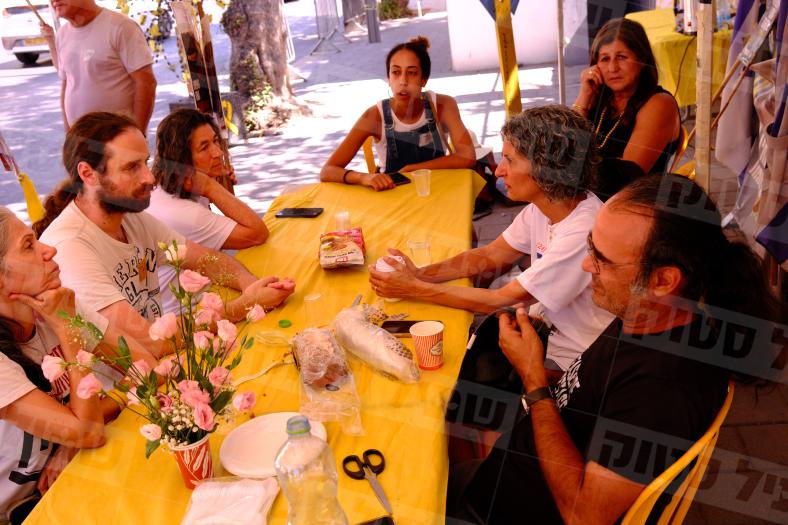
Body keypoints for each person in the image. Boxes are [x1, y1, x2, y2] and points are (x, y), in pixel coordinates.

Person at [448, 174, 782, 524]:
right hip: (504, 475)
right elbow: (596, 393)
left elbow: (585, 516)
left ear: (663, 280)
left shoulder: (663, 390)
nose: (586, 264)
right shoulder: (643, 314)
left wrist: (534, 381)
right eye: (590, 246)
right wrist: (529, 366)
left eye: (603, 260)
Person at [370, 105, 614, 372]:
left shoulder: (582, 230)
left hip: (573, 359)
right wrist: (419, 275)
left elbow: (500, 299)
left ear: (548, 168)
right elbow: (490, 255)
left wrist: (413, 288)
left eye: (510, 160)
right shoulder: (544, 207)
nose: (498, 171)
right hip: (541, 331)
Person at [35, 112, 295, 358]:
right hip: (133, 384)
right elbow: (147, 341)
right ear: (88, 174)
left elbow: (206, 260)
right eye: (132, 167)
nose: (149, 178)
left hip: (168, 362)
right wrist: (243, 305)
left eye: (145, 163)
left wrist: (250, 285)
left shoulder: (131, 218)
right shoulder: (70, 248)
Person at [0, 207, 118, 524]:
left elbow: (145, 369)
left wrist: (70, 440)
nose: (49, 249)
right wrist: (68, 328)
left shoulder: (56, 301)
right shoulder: (61, 313)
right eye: (29, 245)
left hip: (64, 487)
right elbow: (89, 433)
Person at [147, 109, 269, 314]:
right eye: (204, 147)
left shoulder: (168, 183)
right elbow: (257, 233)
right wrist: (213, 188)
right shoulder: (185, 213)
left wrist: (219, 183)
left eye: (215, 141)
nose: (218, 152)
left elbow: (231, 217)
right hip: (187, 316)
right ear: (183, 158)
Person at [320, 36, 475, 191]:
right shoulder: (374, 115)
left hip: (437, 190)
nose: (403, 81)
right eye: (396, 72)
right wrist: (364, 177)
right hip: (391, 195)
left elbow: (467, 156)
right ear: (388, 78)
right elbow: (327, 171)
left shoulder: (443, 105)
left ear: (424, 79)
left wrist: (415, 169)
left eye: (412, 73)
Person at [572, 18, 680, 178]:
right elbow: (565, 144)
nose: (612, 68)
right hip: (586, 187)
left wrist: (570, 169)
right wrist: (585, 94)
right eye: (605, 59)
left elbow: (627, 175)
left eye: (622, 57)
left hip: (630, 192)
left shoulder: (659, 103)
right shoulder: (601, 98)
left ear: (642, 60)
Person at [50, 0, 156, 132]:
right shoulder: (62, 34)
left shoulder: (121, 26)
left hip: (119, 137)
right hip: (80, 138)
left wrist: (138, 134)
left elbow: (146, 82)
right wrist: (69, 134)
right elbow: (67, 84)